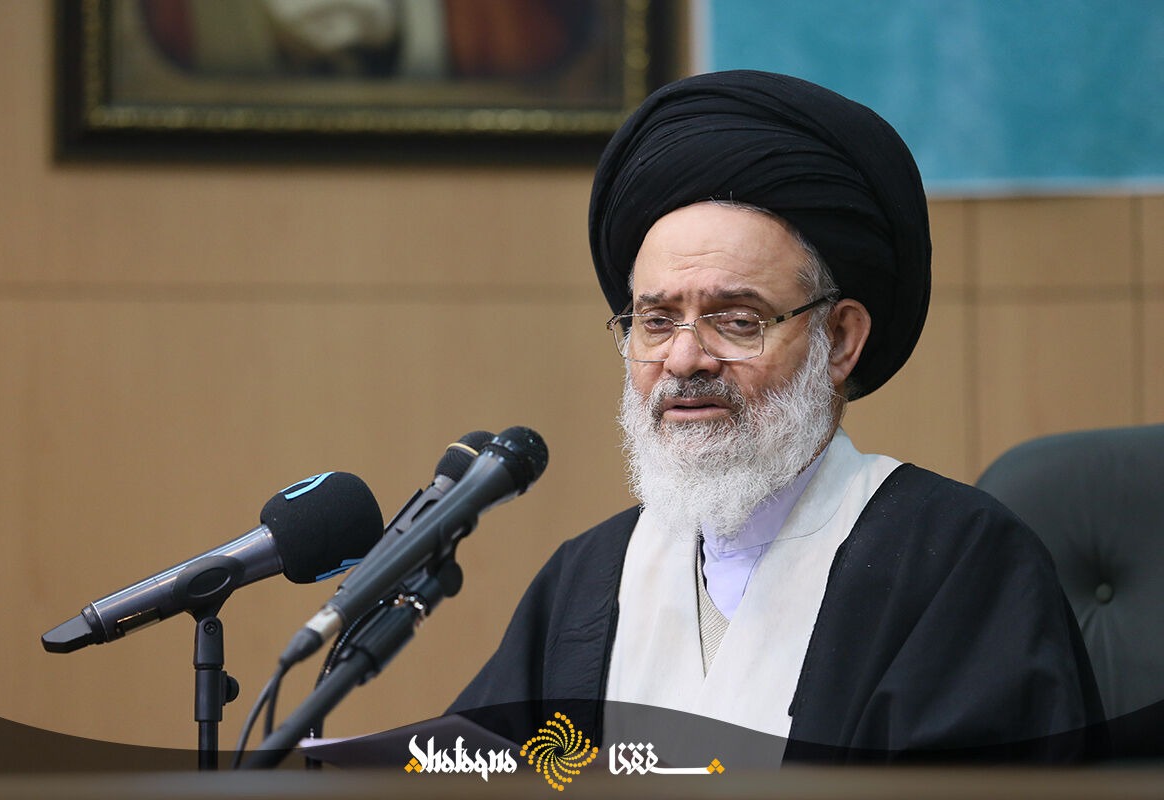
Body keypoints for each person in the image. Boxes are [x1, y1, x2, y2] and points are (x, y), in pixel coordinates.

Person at [448, 71, 1105, 763]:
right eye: (656, 321)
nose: (684, 358)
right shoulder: (586, 581)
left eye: (737, 320)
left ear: (840, 340)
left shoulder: (958, 564)